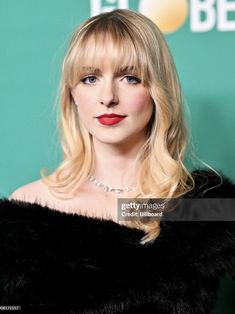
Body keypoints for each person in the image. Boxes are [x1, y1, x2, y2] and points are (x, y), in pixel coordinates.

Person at [0, 9, 234, 313]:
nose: (107, 96)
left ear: (157, 89)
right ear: (71, 93)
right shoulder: (28, 204)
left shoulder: (203, 207)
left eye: (130, 77)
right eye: (90, 78)